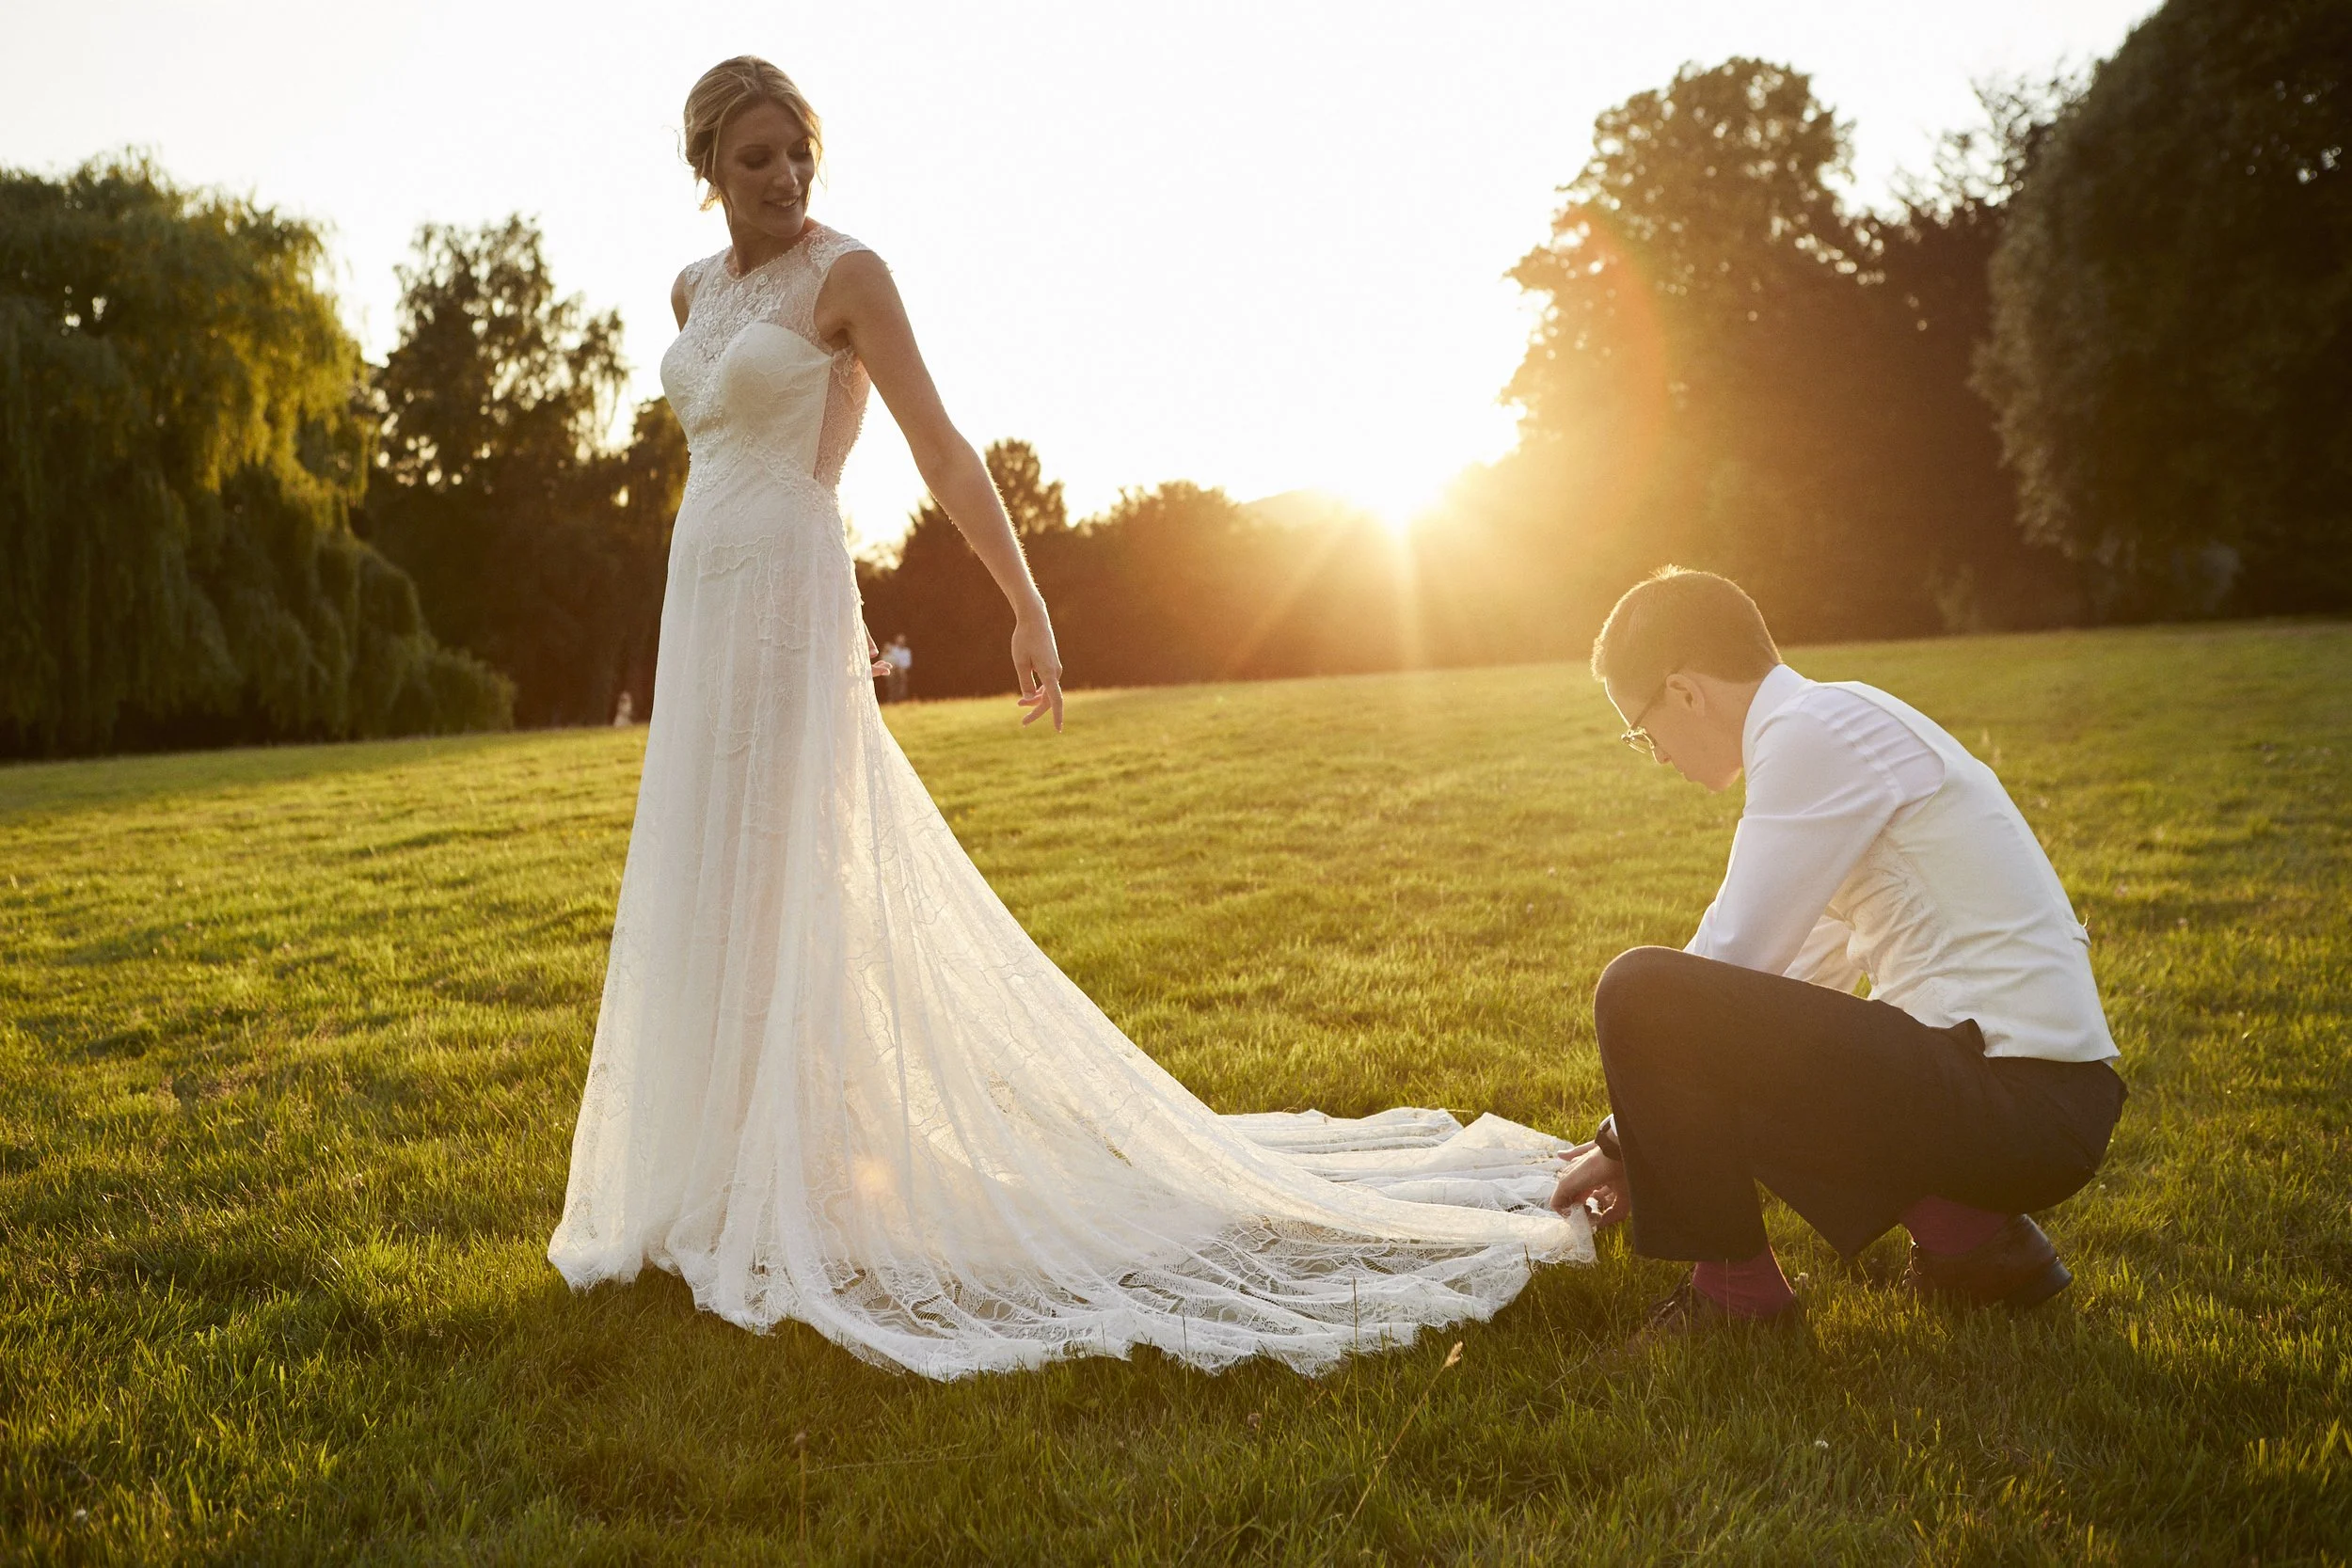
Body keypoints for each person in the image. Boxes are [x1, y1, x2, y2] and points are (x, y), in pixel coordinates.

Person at [547, 56, 1587, 1380]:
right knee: (710, 874)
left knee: (792, 871)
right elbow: (708, 439)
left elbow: (939, 445)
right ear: (706, 166)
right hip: (702, 595)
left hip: (795, 595)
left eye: (800, 151)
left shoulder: (849, 276)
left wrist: (1026, 600)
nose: (787, 177)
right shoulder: (692, 291)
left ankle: (807, 1168)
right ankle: (721, 1167)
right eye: (757, 159)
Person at [1549, 568, 2125, 1337]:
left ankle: (1736, 1298)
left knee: (1640, 990)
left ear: (1685, 692)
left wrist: (1627, 1138)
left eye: (1643, 731)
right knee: (1705, 1023)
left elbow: (1728, 961)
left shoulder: (1811, 733)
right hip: (2028, 1101)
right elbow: (1793, 974)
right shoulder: (1836, 722)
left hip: (2020, 1100)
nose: (1655, 756)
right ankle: (1978, 1246)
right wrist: (1646, 1122)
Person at [883, 633, 912, 703]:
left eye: (902, 641)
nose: (901, 642)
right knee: (892, 678)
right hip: (893, 671)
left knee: (902, 675)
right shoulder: (892, 649)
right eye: (899, 641)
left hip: (902, 671)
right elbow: (887, 659)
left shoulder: (907, 651)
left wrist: (900, 667)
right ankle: (892, 699)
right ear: (896, 641)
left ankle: (901, 698)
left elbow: (908, 664)